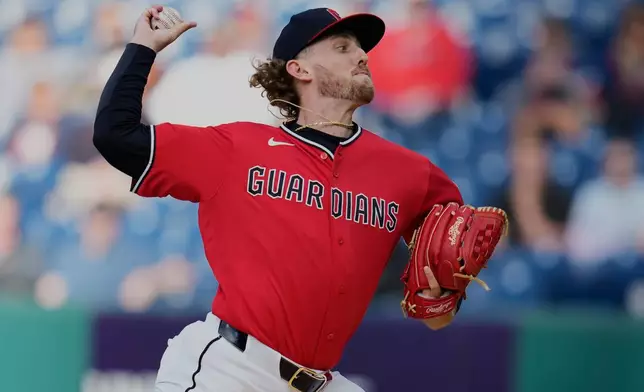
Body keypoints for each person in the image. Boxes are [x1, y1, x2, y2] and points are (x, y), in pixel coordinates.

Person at [94, 6, 471, 392]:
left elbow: (437, 313)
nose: (361, 56)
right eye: (342, 47)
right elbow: (115, 136)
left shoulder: (411, 175)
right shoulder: (237, 149)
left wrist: (441, 297)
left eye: (361, 48)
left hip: (323, 382)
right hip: (228, 370)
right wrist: (143, 48)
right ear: (299, 69)